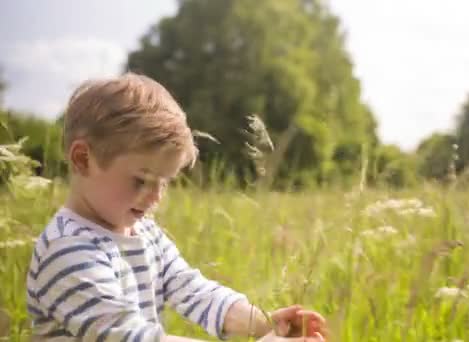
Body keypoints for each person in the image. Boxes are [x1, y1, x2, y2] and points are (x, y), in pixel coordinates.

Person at [25, 73, 327, 341]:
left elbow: (192, 289)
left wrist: (261, 324)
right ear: (82, 159)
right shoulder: (67, 251)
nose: (156, 197)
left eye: (165, 182)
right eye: (141, 181)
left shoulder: (144, 233)